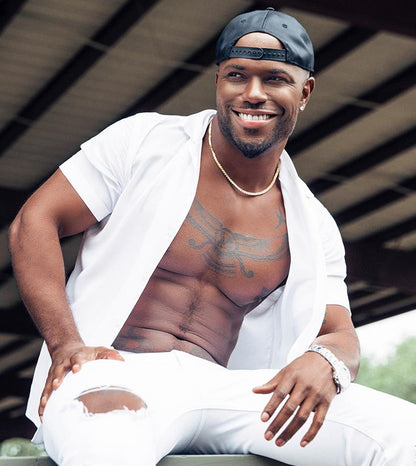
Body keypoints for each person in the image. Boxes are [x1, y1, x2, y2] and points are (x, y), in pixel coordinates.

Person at [8, 8, 415, 466]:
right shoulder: (143, 141)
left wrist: (326, 361)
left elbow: (339, 334)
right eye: (237, 75)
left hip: (227, 391)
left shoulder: (312, 222)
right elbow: (35, 221)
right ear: (218, 80)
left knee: (406, 435)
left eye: (275, 79)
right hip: (111, 371)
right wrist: (65, 344)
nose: (253, 93)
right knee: (106, 442)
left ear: (304, 92)